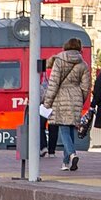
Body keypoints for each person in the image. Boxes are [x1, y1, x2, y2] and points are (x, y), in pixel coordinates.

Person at [41, 38, 91, 172]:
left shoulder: (59, 61)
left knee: (64, 130)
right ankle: (65, 162)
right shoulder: (83, 64)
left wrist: (47, 102)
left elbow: (54, 83)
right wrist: (80, 99)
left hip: (61, 97)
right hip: (76, 97)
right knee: (70, 131)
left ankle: (73, 154)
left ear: (66, 47)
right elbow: (86, 87)